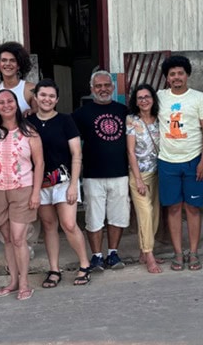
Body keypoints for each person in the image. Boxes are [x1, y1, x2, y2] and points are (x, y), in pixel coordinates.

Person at [27, 79, 94, 287]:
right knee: (49, 225)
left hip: (64, 182)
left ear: (57, 99)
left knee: (69, 224)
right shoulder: (29, 123)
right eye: (43, 95)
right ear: (36, 97)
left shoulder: (66, 120)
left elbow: (76, 154)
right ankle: (54, 269)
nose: (47, 99)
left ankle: (84, 264)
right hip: (40, 184)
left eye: (51, 96)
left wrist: (75, 184)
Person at [156, 55, 203, 272]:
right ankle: (178, 253)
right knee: (173, 208)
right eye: (172, 74)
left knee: (193, 208)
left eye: (180, 73)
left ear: (187, 75)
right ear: (167, 78)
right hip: (167, 161)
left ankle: (194, 252)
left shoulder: (199, 98)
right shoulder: (159, 97)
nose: (176, 77)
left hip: (193, 160)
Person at [0, 89, 44, 301]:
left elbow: (39, 163)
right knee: (8, 239)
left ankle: (24, 283)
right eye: (0, 102)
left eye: (10, 101)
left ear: (16, 104)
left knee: (19, 238)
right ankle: (12, 281)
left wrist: (36, 192)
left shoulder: (30, 131)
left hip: (23, 189)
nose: (6, 105)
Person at [72, 70, 130, 272]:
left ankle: (113, 253)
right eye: (98, 86)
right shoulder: (81, 114)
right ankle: (96, 256)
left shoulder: (124, 111)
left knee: (118, 216)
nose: (103, 89)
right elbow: (67, 136)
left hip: (120, 172)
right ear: (92, 89)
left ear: (112, 88)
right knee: (94, 217)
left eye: (106, 85)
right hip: (92, 174)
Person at [126, 83, 164, 274]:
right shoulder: (132, 121)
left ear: (153, 99)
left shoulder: (160, 119)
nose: (144, 101)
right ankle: (149, 255)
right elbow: (131, 152)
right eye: (140, 98)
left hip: (158, 173)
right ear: (136, 101)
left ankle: (144, 251)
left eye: (147, 96)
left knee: (155, 214)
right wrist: (138, 179)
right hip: (139, 175)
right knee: (145, 213)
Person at [0, 41, 36, 114]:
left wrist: (32, 112)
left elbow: (40, 115)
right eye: (4, 60)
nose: (8, 64)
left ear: (18, 65)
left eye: (12, 60)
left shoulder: (30, 88)